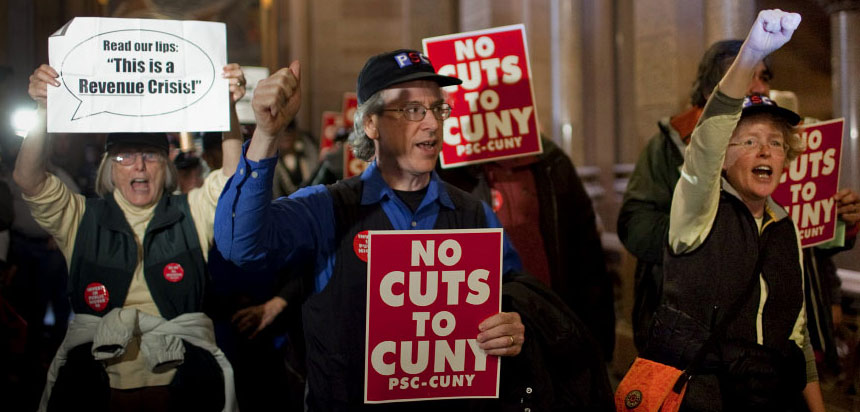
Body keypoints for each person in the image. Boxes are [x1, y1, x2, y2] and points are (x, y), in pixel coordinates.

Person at [214, 50, 527, 410]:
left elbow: (513, 297)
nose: (432, 124)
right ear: (371, 124)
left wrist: (514, 327)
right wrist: (266, 135)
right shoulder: (326, 208)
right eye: (412, 110)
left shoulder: (475, 215)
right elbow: (239, 244)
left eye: (438, 108)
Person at [18, 62, 247, 411]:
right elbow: (28, 179)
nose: (138, 166)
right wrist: (43, 108)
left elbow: (234, 178)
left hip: (182, 381)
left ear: (165, 165)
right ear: (110, 168)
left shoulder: (192, 211)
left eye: (150, 156)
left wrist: (227, 107)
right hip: (96, 384)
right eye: (124, 156)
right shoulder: (80, 217)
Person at [641, 10, 826, 411]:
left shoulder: (785, 226)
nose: (765, 151)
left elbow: (798, 336)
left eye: (775, 143)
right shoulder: (699, 210)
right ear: (722, 159)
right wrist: (750, 55)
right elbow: (707, 140)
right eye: (749, 141)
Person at [618, 39, 770, 351]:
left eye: (764, 77)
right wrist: (700, 236)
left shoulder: (776, 147)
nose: (759, 87)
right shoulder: (668, 146)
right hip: (687, 324)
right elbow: (636, 225)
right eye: (746, 76)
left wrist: (837, 225)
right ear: (712, 89)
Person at [438, 136, 615, 360]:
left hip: (550, 322)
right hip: (487, 332)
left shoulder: (550, 159)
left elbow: (586, 254)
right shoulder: (443, 164)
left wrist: (598, 341)